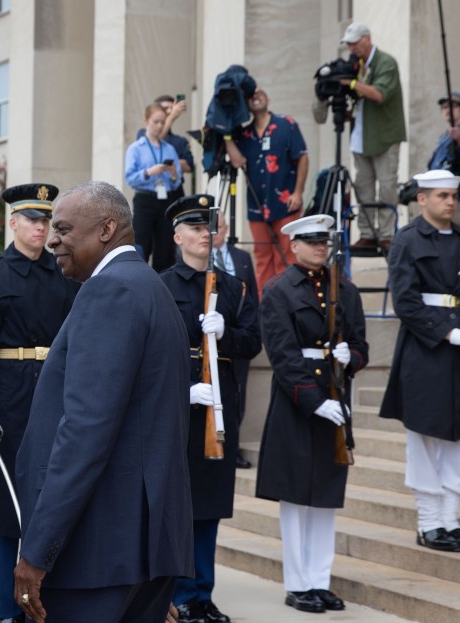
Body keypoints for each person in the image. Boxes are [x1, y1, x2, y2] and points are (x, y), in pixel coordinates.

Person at [13, 181, 193, 623]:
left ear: (107, 229)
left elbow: (85, 432)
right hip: (138, 549)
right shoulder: (150, 286)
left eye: (64, 228)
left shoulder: (108, 291)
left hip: (97, 552)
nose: (52, 239)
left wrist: (38, 551)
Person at [0, 183, 79, 623]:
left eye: (46, 220)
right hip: (6, 404)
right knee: (9, 515)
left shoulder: (65, 274)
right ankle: (8, 612)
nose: (40, 227)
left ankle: (47, 608)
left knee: (55, 502)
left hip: (57, 397)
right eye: (31, 219)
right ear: (13, 223)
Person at [380, 169, 460, 553]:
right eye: (442, 196)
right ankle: (428, 523)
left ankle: (450, 520)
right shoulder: (408, 240)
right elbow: (407, 303)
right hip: (427, 349)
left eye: (453, 195)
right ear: (422, 199)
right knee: (425, 438)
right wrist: (450, 333)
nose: (450, 202)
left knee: (458, 435)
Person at [255, 214, 368, 615]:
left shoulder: (346, 290)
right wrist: (314, 400)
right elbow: (283, 356)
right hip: (298, 404)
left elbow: (360, 345)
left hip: (335, 399)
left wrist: (349, 358)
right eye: (312, 242)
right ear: (294, 246)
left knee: (324, 498)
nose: (320, 248)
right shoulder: (279, 291)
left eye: (325, 242)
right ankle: (298, 583)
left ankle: (320, 581)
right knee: (297, 499)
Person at [159, 195, 260, 623]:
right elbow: (150, 353)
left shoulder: (232, 286)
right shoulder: (161, 285)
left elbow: (252, 341)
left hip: (219, 408)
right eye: (195, 228)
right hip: (179, 410)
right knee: (180, 505)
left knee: (211, 505)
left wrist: (227, 334)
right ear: (178, 236)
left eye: (209, 227)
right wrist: (182, 390)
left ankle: (202, 593)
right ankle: (179, 592)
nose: (204, 234)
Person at [222, 85, 309, 293]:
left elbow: (302, 157)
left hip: (285, 203)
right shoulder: (244, 134)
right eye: (251, 96)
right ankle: (266, 306)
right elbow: (237, 161)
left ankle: (288, 302)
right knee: (262, 257)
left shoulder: (286, 124)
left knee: (287, 255)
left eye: (260, 93)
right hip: (257, 206)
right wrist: (225, 135)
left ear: (268, 99)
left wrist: (298, 192)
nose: (256, 97)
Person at [338, 22, 407, 250]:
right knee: (363, 187)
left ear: (367, 39)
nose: (351, 48)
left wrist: (352, 83)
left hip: (384, 137)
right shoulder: (357, 65)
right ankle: (367, 233)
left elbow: (379, 94)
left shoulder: (385, 62)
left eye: (355, 43)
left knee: (387, 187)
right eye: (348, 45)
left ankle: (386, 235)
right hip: (361, 136)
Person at [211, 213, 259, 469]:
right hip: (208, 339)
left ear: (226, 228)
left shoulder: (242, 257)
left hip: (238, 338)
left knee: (238, 395)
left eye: (218, 228)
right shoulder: (195, 256)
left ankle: (233, 447)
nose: (214, 233)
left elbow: (252, 297)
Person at [126, 103, 185, 271]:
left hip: (166, 198)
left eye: (162, 122)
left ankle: (163, 285)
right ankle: (139, 282)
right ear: (146, 121)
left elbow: (177, 180)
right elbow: (130, 177)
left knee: (165, 247)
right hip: (145, 198)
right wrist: (149, 172)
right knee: (141, 244)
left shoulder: (169, 149)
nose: (159, 126)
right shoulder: (136, 148)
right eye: (156, 122)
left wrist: (173, 174)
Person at [137, 94, 195, 178]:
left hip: (175, 188)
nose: (169, 111)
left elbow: (189, 167)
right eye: (164, 109)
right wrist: (171, 117)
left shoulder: (180, 140)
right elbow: (153, 140)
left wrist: (165, 164)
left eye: (172, 108)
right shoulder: (142, 134)